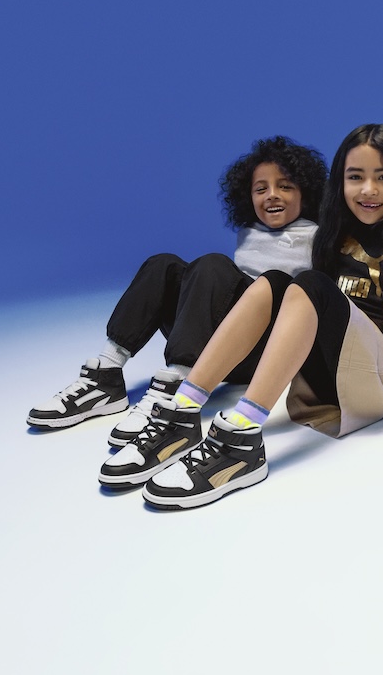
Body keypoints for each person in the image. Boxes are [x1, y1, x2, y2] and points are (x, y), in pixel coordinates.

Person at [100, 123, 383, 508]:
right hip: (336, 367)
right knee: (276, 280)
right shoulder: (332, 237)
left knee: (311, 286)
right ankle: (181, 412)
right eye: (356, 177)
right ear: (341, 183)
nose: (369, 190)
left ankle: (240, 436)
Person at [27, 136, 329, 456]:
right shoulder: (249, 232)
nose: (272, 195)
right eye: (260, 189)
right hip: (215, 338)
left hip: (259, 350)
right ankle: (106, 374)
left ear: (306, 192)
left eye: (285, 186)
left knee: (213, 264)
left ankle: (176, 389)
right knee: (164, 264)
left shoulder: (316, 236)